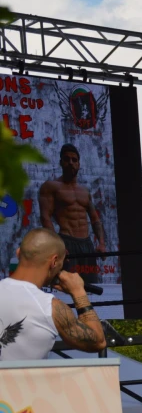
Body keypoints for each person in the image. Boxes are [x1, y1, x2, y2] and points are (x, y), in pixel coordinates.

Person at [0, 228, 106, 360]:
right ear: (54, 261)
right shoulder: (50, 307)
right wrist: (78, 292)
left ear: (18, 253)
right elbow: (98, 342)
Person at [39, 144, 106, 284]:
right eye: (67, 159)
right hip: (67, 243)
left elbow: (95, 220)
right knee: (66, 287)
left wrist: (101, 243)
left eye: (74, 160)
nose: (71, 163)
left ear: (79, 164)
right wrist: (58, 245)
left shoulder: (85, 191)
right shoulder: (51, 187)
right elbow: (45, 217)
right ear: (61, 162)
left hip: (87, 245)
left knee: (90, 287)